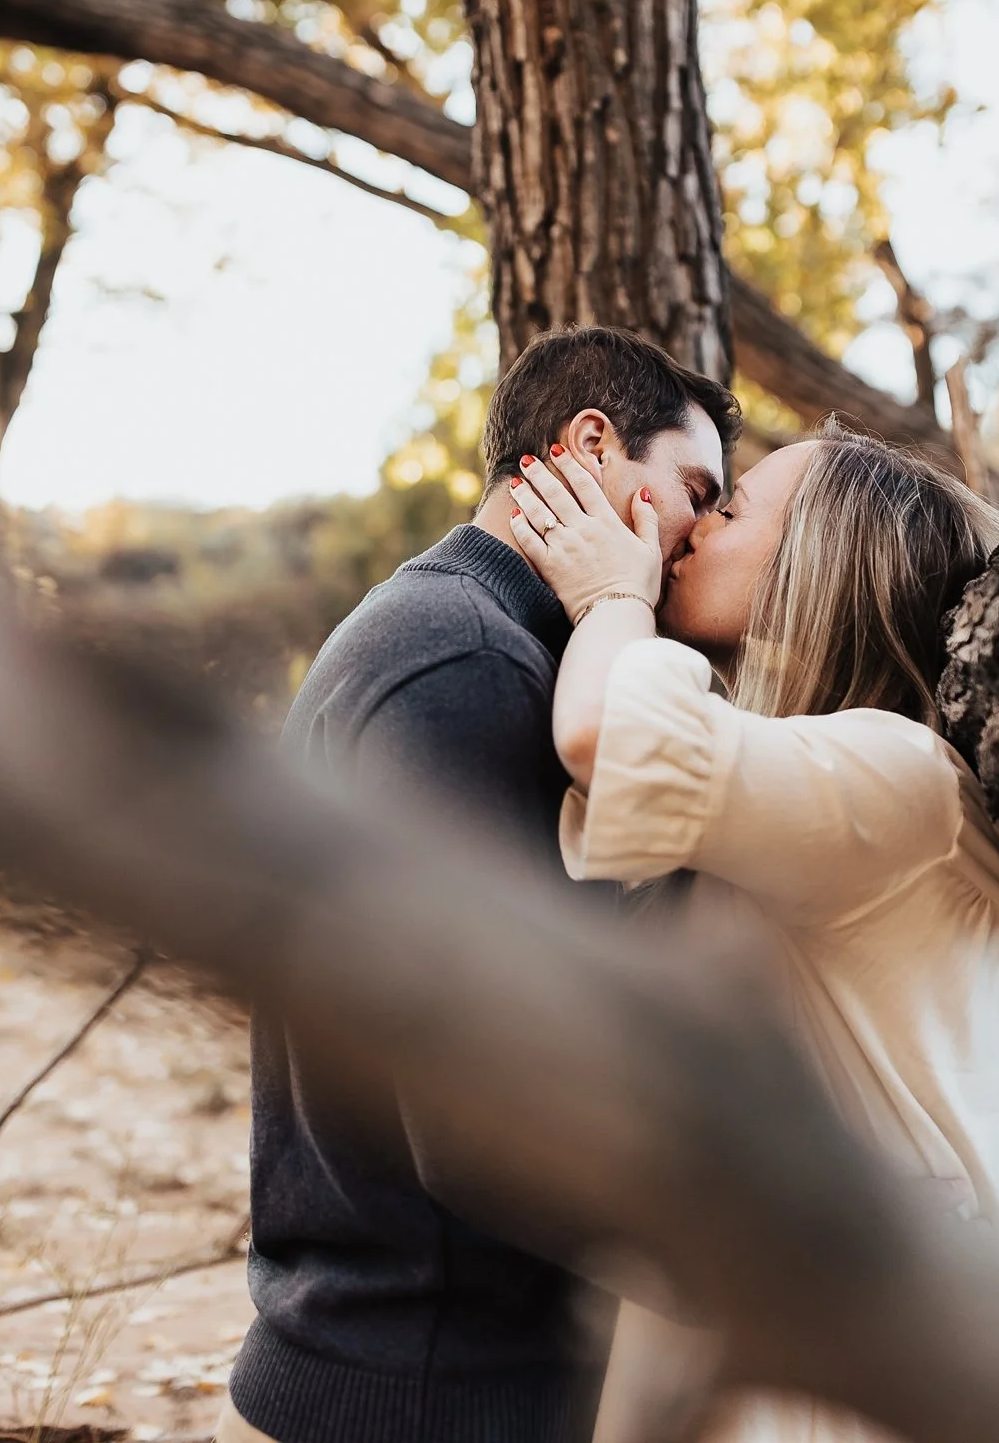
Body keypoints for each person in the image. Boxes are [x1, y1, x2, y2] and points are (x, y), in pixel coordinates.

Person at [221, 327, 741, 1443]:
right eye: (697, 489)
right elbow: (483, 1107)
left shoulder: (458, 631)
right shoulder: (469, 661)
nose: (706, 530)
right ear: (591, 443)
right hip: (419, 1386)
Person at [507, 420, 999, 1443]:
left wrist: (613, 597)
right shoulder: (807, 776)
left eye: (734, 509)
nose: (691, 528)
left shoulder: (904, 782)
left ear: (821, 565)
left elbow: (603, 735)